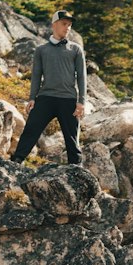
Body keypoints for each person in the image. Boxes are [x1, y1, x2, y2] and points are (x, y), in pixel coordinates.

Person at [11, 9, 87, 166]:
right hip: (46, 98)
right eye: (64, 24)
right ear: (54, 25)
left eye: (70, 25)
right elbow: (36, 76)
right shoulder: (41, 50)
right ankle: (17, 160)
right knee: (31, 129)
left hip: (68, 99)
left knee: (72, 137)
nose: (68, 28)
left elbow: (81, 76)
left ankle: (76, 167)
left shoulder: (76, 49)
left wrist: (81, 102)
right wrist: (32, 98)